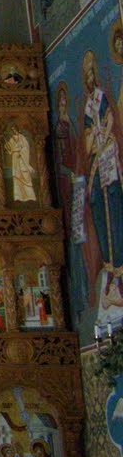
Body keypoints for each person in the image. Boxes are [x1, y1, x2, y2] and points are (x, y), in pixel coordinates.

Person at [82, 51, 123, 289]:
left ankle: (118, 263)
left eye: (91, 74)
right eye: (86, 75)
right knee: (98, 203)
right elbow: (87, 135)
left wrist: (104, 137)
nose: (89, 79)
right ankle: (109, 263)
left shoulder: (101, 97)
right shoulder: (88, 105)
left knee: (113, 204)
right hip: (97, 159)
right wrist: (92, 143)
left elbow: (110, 119)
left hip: (107, 153)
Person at [5, 124, 37, 203]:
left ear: (17, 129)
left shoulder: (22, 137)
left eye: (14, 129)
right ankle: (18, 197)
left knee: (25, 176)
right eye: (12, 130)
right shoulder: (11, 139)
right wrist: (8, 148)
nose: (14, 131)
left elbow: (26, 148)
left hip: (22, 158)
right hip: (15, 158)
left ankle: (30, 196)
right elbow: (10, 151)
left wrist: (21, 152)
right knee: (17, 177)